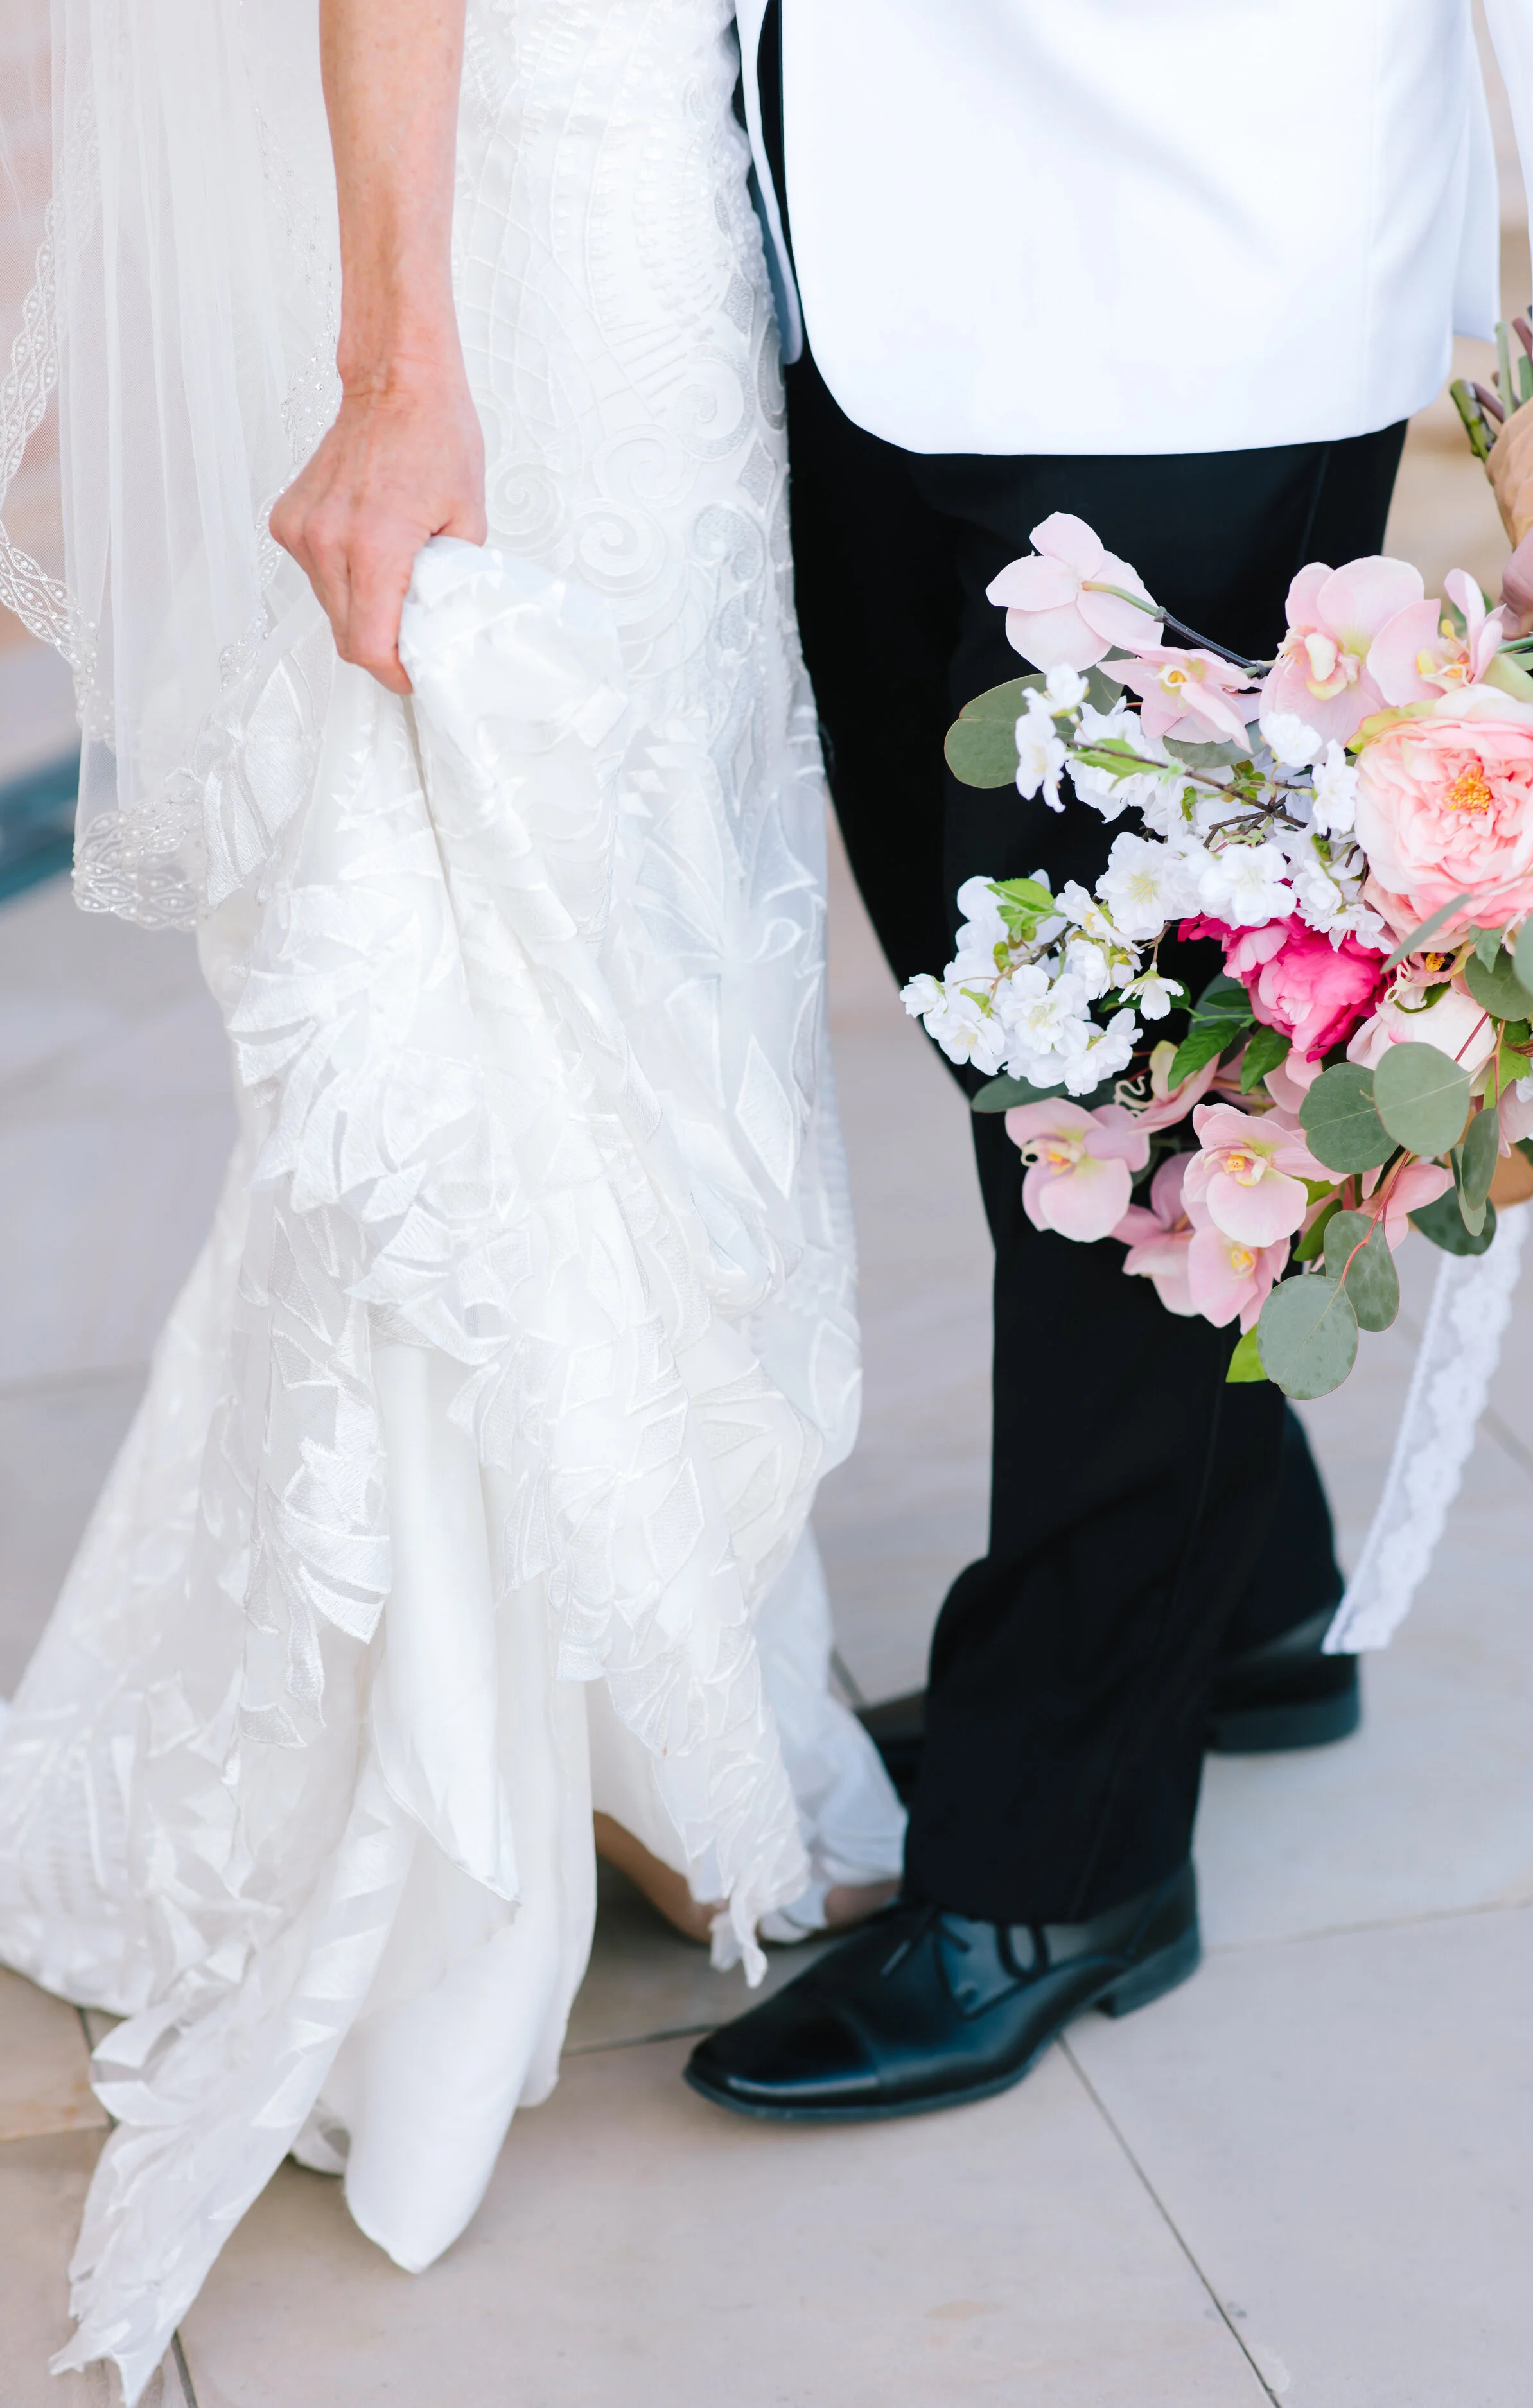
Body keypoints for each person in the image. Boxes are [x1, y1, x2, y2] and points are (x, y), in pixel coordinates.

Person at [0, 0, 902, 2393]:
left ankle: (635, 1713)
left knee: (636, 953)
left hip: (630, 187)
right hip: (527, 224)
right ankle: (472, 1828)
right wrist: (407, 344)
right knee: (526, 973)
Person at [685, 0, 1533, 2122]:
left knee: (1136, 1103)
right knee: (979, 997)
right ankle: (1247, 1579)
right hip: (841, 262)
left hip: (1210, 284)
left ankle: (1061, 1853)